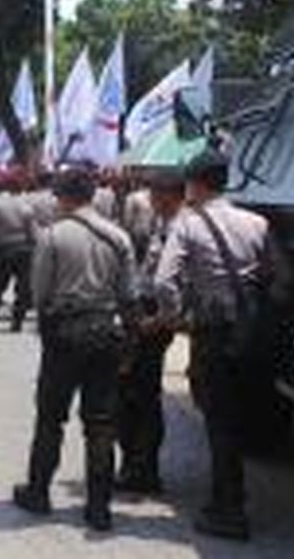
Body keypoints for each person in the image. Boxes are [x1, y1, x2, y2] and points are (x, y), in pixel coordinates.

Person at [152, 147, 284, 541]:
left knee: (219, 421)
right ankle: (234, 496)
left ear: (194, 184)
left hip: (212, 331)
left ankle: (228, 509)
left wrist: (175, 318)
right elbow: (279, 277)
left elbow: (163, 280)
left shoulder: (188, 225)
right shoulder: (257, 223)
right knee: (241, 412)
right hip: (251, 328)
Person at [12, 166, 136, 532]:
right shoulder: (118, 237)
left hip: (64, 334)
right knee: (100, 423)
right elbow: (129, 294)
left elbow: (40, 293)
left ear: (63, 196)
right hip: (105, 332)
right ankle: (99, 507)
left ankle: (38, 491)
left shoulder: (52, 236)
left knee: (51, 417)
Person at [116, 169, 183, 495]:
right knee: (137, 395)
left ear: (169, 195)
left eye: (154, 195)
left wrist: (158, 320)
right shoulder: (165, 224)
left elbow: (168, 284)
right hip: (147, 316)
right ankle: (138, 465)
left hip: (152, 321)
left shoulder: (181, 228)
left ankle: (142, 469)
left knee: (138, 396)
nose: (150, 202)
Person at [0, 174, 36, 332]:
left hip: (3, 248)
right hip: (23, 249)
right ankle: (17, 322)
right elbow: (31, 232)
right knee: (22, 287)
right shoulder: (26, 205)